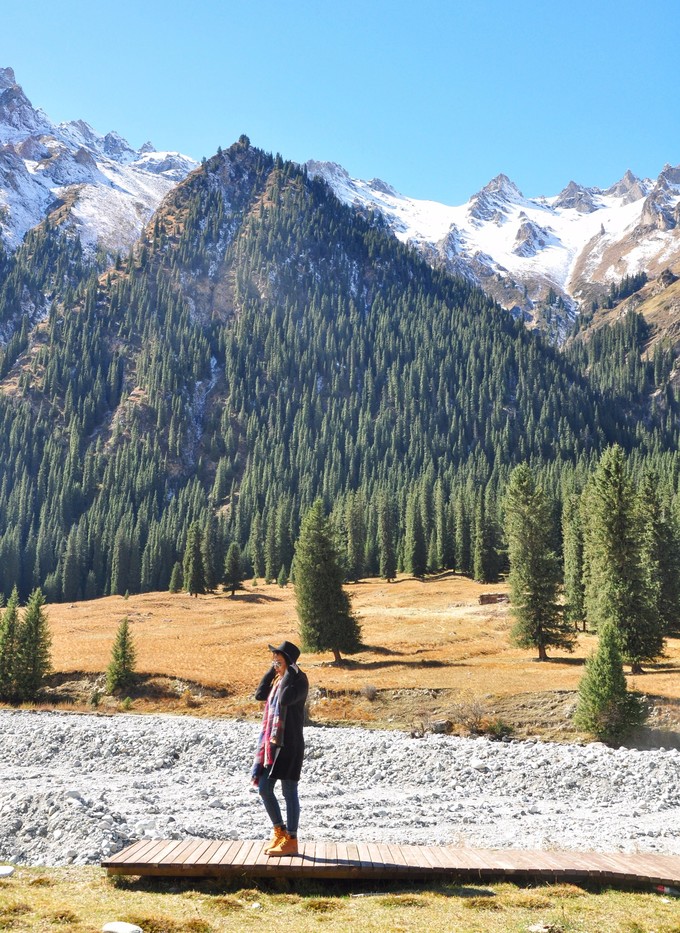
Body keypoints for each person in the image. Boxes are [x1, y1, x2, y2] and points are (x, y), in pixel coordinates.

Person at [251, 639, 309, 856]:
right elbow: (259, 694)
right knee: (264, 788)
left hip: (290, 745)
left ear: (290, 662)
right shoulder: (277, 679)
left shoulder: (299, 681)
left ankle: (292, 840)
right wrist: (273, 669)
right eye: (273, 660)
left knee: (289, 791)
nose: (275, 663)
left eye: (279, 660)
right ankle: (280, 831)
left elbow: (284, 699)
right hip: (273, 744)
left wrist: (290, 674)